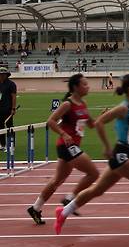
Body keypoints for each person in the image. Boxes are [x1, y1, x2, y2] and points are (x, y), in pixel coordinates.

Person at [55, 74, 129, 234]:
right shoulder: (122, 108)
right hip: (120, 155)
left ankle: (63, 212)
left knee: (97, 191)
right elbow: (99, 123)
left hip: (127, 154)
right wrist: (107, 147)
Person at [27, 74, 100, 225]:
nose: (88, 86)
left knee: (57, 181)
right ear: (75, 87)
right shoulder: (67, 104)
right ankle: (70, 198)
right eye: (85, 84)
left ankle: (36, 207)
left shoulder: (83, 104)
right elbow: (51, 121)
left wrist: (103, 117)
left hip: (73, 146)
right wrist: (64, 133)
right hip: (67, 145)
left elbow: (92, 125)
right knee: (93, 173)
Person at [0, 68, 16, 152]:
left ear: (6, 75)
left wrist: (13, 108)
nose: (2, 76)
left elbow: (13, 97)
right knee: (0, 127)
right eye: (0, 74)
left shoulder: (11, 84)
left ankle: (12, 145)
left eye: (3, 74)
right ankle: (3, 145)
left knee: (10, 127)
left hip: (8, 109)